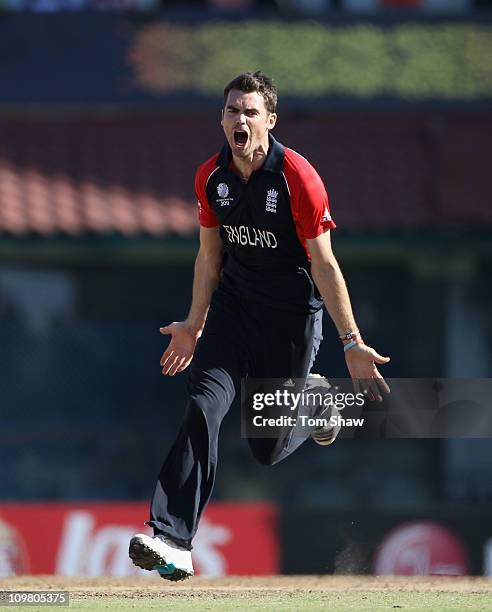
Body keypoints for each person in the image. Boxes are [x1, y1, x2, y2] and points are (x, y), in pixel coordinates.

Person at [129, 71, 390, 580]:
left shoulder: (299, 177)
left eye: (250, 111)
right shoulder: (211, 176)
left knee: (266, 447)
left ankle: (317, 401)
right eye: (231, 111)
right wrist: (192, 324)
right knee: (203, 406)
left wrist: (351, 343)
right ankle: (172, 539)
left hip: (291, 320)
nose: (239, 120)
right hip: (233, 312)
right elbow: (209, 259)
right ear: (222, 120)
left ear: (270, 120)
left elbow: (325, 266)